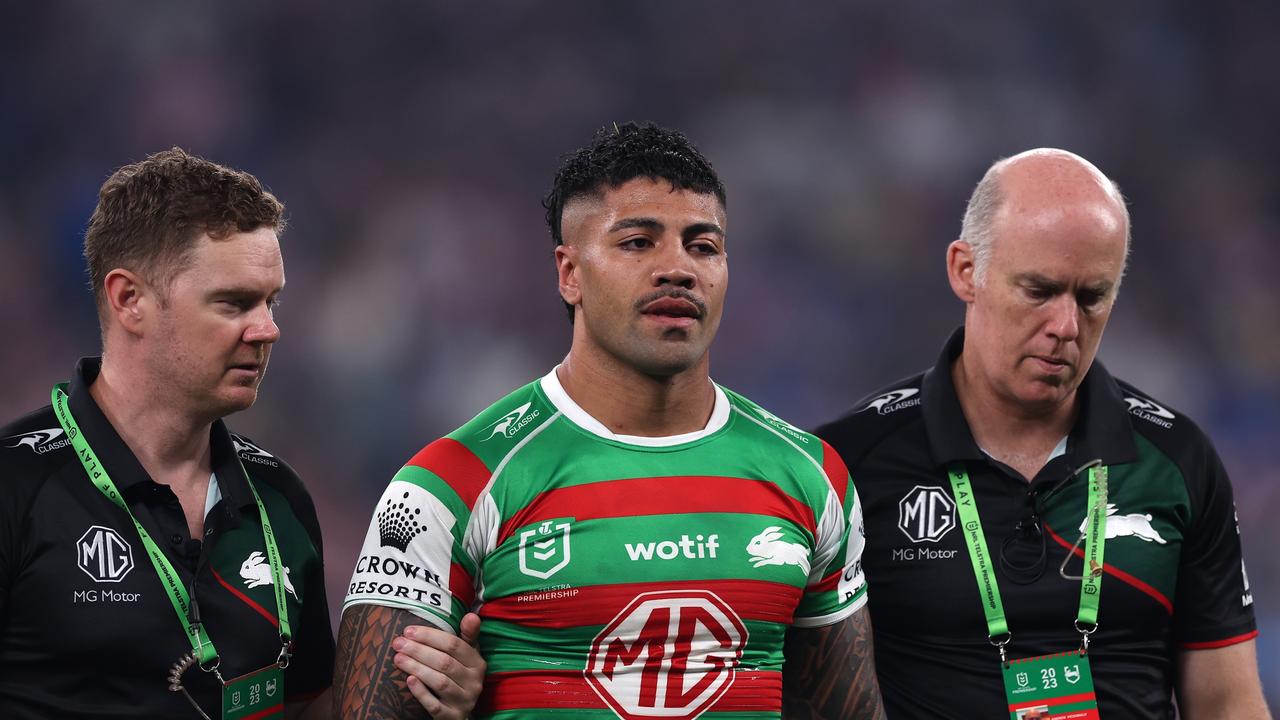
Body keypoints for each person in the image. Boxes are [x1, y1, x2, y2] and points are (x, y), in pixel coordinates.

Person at [335, 122, 886, 719]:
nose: (678, 268)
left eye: (703, 246)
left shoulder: (808, 474)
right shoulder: (453, 483)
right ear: (569, 273)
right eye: (637, 243)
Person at [0, 148, 481, 719]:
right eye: (234, 303)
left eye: (271, 301)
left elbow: (306, 707)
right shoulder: (15, 486)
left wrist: (422, 689)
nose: (268, 329)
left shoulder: (279, 496)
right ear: (130, 300)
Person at [816, 148, 1269, 718]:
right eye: (1038, 290)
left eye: (1092, 297)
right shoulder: (847, 464)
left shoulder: (1177, 460)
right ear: (965, 271)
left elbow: (1228, 703)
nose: (1065, 327)